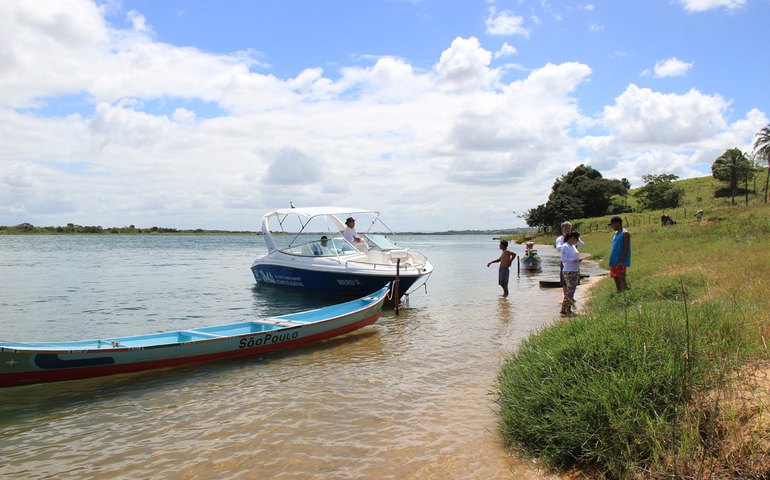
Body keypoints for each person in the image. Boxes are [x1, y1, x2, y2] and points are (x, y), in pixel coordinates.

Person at [554, 221, 584, 289]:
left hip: (575, 262)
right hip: (565, 262)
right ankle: (566, 295)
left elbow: (582, 245)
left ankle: (571, 295)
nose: (567, 230)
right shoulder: (560, 239)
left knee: (574, 282)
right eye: (566, 228)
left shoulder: (574, 238)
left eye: (569, 228)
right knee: (564, 282)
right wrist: (567, 244)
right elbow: (558, 249)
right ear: (562, 229)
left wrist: (576, 238)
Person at [559, 231, 582, 316]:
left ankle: (568, 309)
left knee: (572, 291)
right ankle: (563, 309)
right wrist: (574, 259)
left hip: (575, 270)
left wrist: (578, 259)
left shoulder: (573, 246)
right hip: (569, 271)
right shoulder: (564, 247)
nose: (577, 241)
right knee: (570, 291)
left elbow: (575, 256)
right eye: (577, 239)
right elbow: (564, 259)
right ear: (572, 238)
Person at [608, 215, 631, 291]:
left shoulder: (625, 233)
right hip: (614, 260)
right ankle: (619, 292)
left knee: (622, 277)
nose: (611, 227)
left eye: (612, 224)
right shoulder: (616, 233)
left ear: (617, 223)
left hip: (620, 260)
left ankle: (625, 294)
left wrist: (622, 261)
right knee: (615, 277)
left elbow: (626, 248)